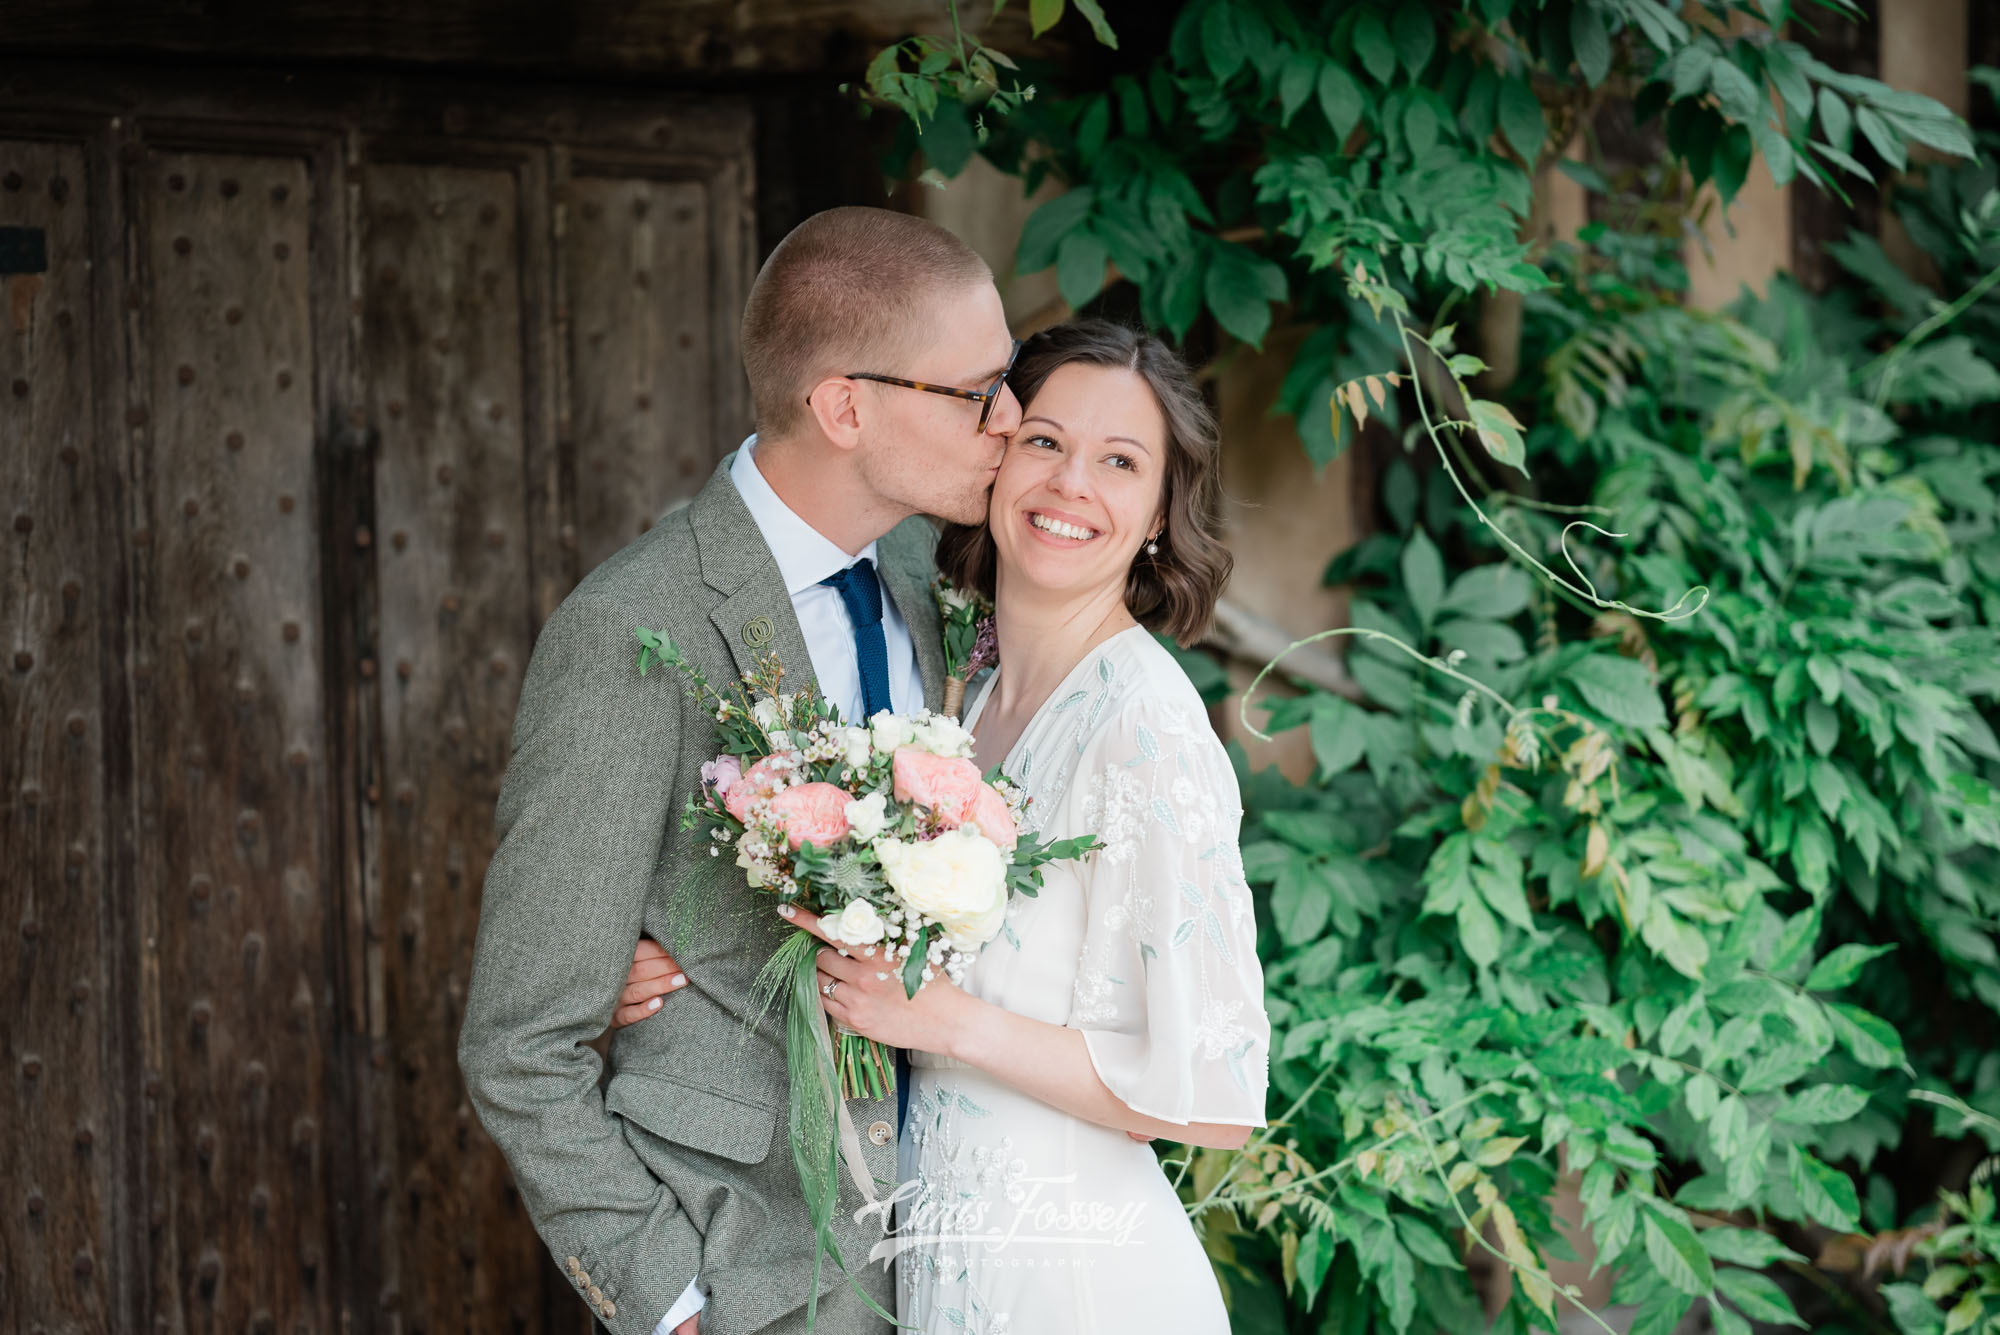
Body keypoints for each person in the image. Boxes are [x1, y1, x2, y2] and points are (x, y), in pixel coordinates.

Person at [615, 321, 1271, 1332]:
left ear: (1155, 515)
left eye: (1120, 462)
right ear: (995, 453)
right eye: (1044, 441)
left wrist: (944, 1024)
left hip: (1076, 1280)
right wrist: (672, 956)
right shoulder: (967, 695)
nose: (1069, 485)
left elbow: (1215, 1096)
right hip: (947, 1258)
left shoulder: (1145, 729)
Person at [458, 205, 1023, 1335]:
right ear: (843, 405)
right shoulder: (631, 628)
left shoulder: (939, 573)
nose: (1010, 422)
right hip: (757, 1272)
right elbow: (520, 1044)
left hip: (967, 1251)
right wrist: (671, 1302)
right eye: (975, 394)